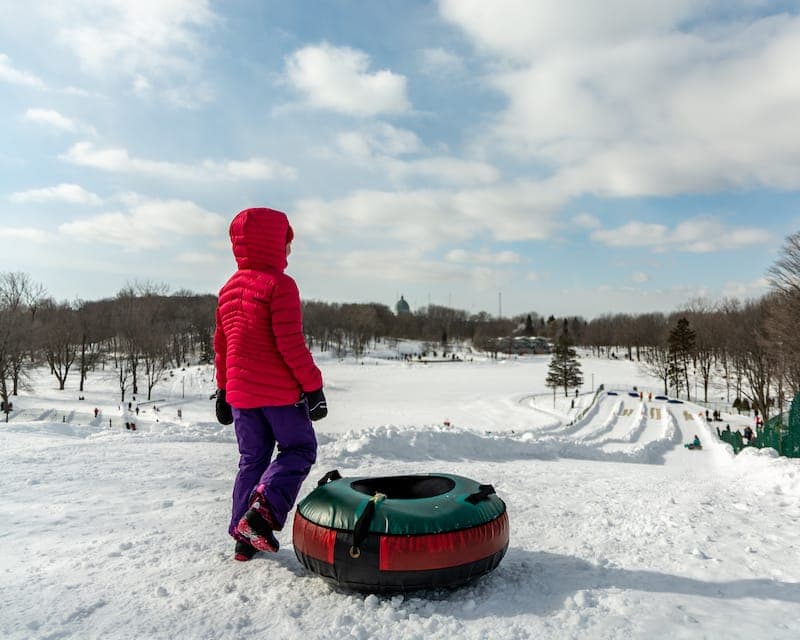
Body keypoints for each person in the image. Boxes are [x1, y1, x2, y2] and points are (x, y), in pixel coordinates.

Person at [214, 207, 327, 563]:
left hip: (241, 396)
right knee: (299, 449)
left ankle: (243, 538)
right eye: (286, 241)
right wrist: (313, 387)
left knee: (252, 459)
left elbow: (222, 347)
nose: (289, 249)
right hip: (279, 394)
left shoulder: (228, 289)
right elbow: (290, 344)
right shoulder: (280, 285)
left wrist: (223, 391)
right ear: (274, 243)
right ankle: (262, 514)